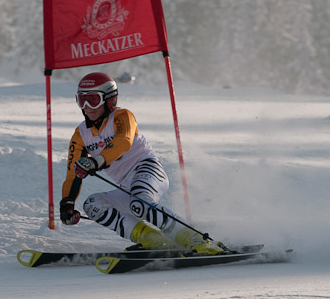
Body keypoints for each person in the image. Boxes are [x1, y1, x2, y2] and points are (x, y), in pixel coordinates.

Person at [59, 72, 224, 255]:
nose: (87, 107)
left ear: (109, 100)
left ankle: (197, 239)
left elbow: (124, 141)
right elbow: (72, 173)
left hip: (148, 169)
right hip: (125, 185)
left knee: (140, 202)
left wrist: (97, 161)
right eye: (82, 100)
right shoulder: (80, 134)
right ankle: (151, 238)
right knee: (92, 204)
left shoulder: (122, 116)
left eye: (93, 100)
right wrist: (67, 203)